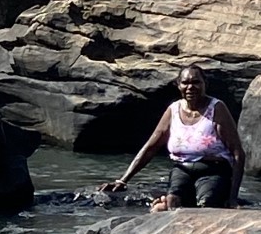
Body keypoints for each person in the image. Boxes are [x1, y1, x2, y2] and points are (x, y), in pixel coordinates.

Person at [103, 63, 245, 210]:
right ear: (178, 85)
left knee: (207, 206)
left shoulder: (217, 109)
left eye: (196, 82)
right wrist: (123, 180)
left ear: (205, 84)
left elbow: (238, 154)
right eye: (185, 83)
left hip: (213, 170)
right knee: (173, 204)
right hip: (182, 169)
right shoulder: (173, 110)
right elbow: (151, 147)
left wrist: (233, 197)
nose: (190, 87)